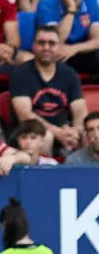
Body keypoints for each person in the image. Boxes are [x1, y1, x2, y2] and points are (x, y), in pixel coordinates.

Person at [9, 26, 86, 157]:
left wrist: (76, 131)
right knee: (46, 136)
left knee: (90, 134)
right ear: (33, 46)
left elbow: (80, 110)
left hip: (63, 129)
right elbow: (25, 115)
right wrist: (58, 132)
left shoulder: (69, 74)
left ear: (59, 47)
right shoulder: (21, 73)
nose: (46, 47)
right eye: (41, 43)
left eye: (52, 43)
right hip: (29, 130)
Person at [32, 0, 99, 76]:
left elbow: (97, 39)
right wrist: (71, 9)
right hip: (56, 54)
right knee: (54, 53)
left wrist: (74, 48)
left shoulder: (91, 2)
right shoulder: (46, 4)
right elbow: (55, 40)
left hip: (81, 52)